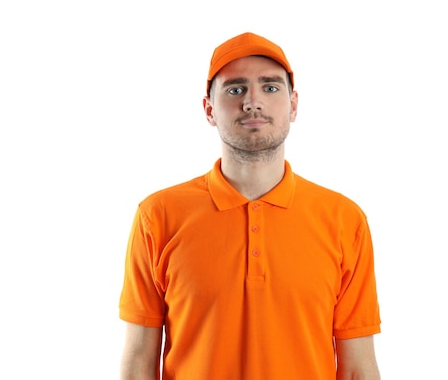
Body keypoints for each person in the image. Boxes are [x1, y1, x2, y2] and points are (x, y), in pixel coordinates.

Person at [118, 32, 381, 380]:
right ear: (209, 109)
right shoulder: (158, 216)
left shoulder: (344, 220)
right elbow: (138, 361)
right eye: (235, 89)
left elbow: (357, 369)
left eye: (270, 88)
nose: (252, 102)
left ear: (294, 105)